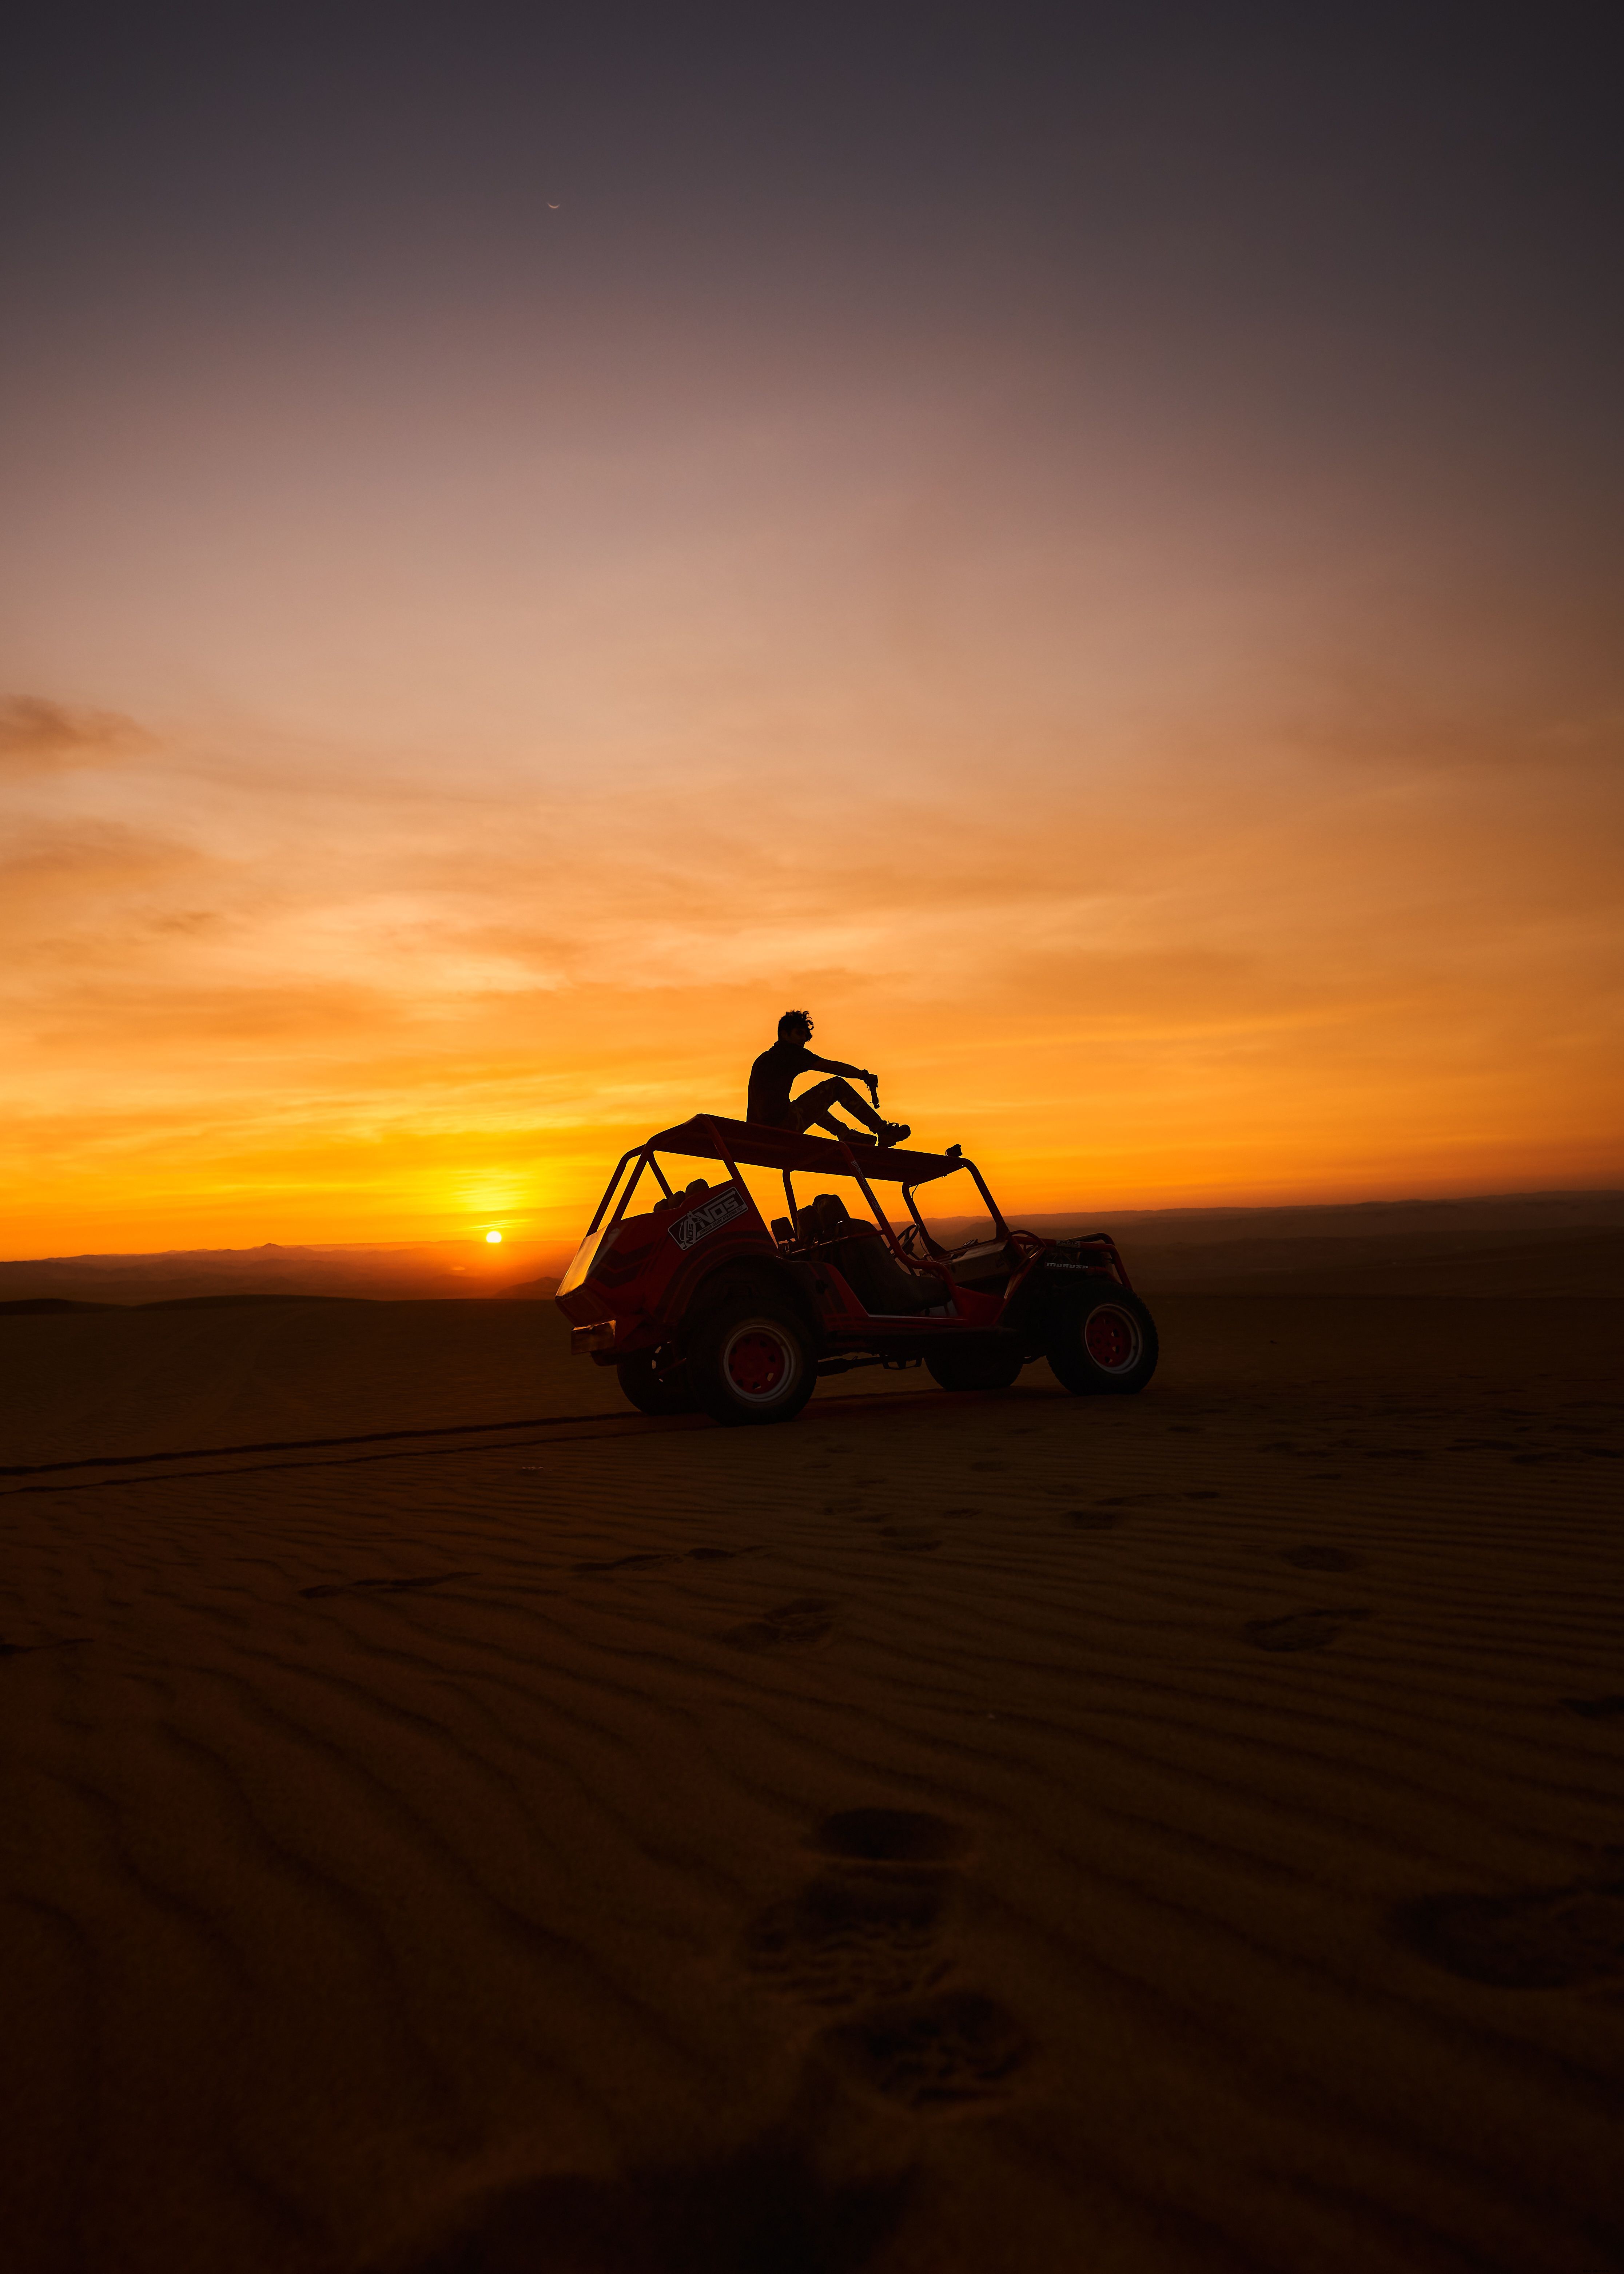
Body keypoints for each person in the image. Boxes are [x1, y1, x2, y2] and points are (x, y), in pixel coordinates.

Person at [746, 1011, 911, 1145]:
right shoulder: (790, 1052)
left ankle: (844, 1134)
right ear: (784, 1034)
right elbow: (831, 1067)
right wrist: (863, 1075)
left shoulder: (766, 1058)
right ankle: (883, 1130)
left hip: (760, 1133)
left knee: (810, 1105)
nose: (803, 1039)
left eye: (805, 1036)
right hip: (782, 1128)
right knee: (836, 1086)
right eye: (799, 1033)